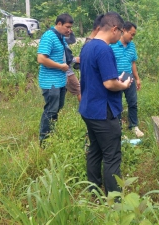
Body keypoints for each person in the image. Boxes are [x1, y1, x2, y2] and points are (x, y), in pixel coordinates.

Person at [79, 11, 132, 195]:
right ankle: (114, 199)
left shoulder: (87, 46)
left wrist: (114, 79)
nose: (120, 36)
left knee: (95, 150)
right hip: (103, 112)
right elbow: (109, 83)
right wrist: (123, 84)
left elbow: (97, 76)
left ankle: (93, 191)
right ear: (115, 29)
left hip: (88, 109)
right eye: (121, 32)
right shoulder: (104, 49)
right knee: (111, 156)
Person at [37, 13, 73, 144]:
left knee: (58, 107)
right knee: (51, 109)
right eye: (67, 27)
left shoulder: (61, 37)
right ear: (59, 24)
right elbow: (41, 58)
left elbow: (62, 57)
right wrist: (60, 67)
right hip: (50, 81)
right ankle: (44, 140)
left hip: (60, 80)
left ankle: (52, 133)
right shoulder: (49, 36)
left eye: (70, 27)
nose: (69, 30)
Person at [110, 21, 144, 138]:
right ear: (124, 30)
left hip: (128, 77)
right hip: (116, 79)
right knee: (117, 104)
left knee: (133, 102)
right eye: (131, 34)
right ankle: (118, 128)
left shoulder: (131, 46)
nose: (132, 37)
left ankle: (134, 126)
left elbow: (133, 62)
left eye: (134, 35)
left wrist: (137, 78)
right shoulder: (112, 44)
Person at [64, 32, 81, 102]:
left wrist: (71, 31)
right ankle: (85, 110)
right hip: (67, 73)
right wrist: (75, 59)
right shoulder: (59, 42)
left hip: (65, 72)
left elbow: (72, 40)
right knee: (79, 91)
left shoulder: (62, 39)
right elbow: (63, 59)